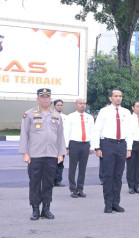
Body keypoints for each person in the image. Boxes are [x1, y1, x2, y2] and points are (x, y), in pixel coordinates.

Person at [19, 88, 67, 220]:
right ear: (37, 99)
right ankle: (35, 209)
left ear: (50, 99)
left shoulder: (56, 116)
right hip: (35, 155)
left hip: (52, 155)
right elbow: (24, 134)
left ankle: (46, 209)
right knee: (34, 182)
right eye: (42, 97)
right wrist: (25, 153)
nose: (45, 99)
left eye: (47, 97)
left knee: (48, 183)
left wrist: (60, 153)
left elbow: (60, 136)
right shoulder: (29, 114)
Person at [92, 89, 131, 213]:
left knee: (118, 176)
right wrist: (97, 148)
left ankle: (116, 203)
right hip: (108, 144)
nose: (118, 98)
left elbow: (129, 132)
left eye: (120, 96)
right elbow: (97, 130)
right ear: (110, 98)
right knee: (108, 175)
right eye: (116, 96)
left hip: (121, 145)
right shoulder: (104, 111)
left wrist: (129, 148)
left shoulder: (126, 112)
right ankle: (108, 204)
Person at [64, 98, 94, 198]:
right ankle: (73, 189)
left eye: (84, 104)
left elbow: (92, 132)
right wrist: (67, 147)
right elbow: (66, 132)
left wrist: (92, 146)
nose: (83, 105)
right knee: (72, 168)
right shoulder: (70, 117)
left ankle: (80, 189)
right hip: (74, 144)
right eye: (80, 103)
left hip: (85, 144)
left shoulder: (89, 117)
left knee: (83, 168)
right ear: (76, 105)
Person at [53, 99, 67, 187]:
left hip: (62, 144)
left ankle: (58, 180)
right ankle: (50, 180)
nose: (60, 106)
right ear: (54, 106)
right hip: (52, 144)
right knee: (51, 163)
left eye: (61, 105)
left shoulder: (66, 117)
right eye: (58, 105)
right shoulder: (51, 116)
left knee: (60, 163)